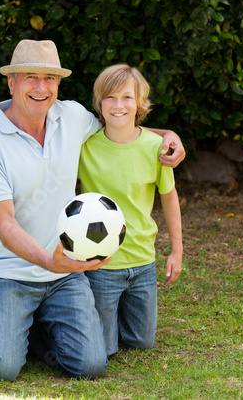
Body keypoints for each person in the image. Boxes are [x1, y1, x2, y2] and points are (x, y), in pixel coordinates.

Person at [0, 39, 185, 382]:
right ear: (11, 82)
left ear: (58, 84)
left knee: (91, 365)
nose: (40, 87)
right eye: (30, 76)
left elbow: (119, 126)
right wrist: (49, 261)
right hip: (7, 270)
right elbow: (4, 225)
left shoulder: (72, 116)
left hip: (64, 273)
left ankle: (24, 326)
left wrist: (167, 134)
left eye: (49, 78)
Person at [78, 64, 183, 357]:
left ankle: (118, 313)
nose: (118, 105)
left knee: (141, 342)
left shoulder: (156, 148)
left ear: (139, 103)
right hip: (102, 264)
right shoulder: (84, 147)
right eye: (110, 97)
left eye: (127, 97)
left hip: (143, 263)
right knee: (106, 350)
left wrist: (176, 251)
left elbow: (170, 198)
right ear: (99, 104)